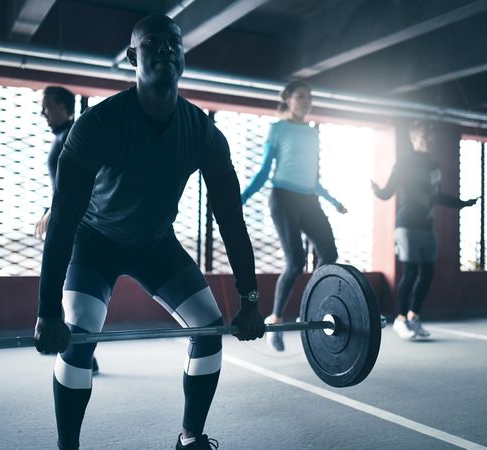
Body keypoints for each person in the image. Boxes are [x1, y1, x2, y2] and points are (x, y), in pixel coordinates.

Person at [33, 14, 265, 450]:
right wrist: (47, 311)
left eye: (173, 43)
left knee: (210, 329)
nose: (164, 49)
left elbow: (231, 220)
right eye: (152, 42)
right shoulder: (96, 126)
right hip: (94, 241)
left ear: (183, 56)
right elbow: (63, 222)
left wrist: (250, 299)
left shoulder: (203, 132)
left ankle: (191, 437)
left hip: (155, 243)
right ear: (132, 55)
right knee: (79, 333)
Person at [241, 80, 347, 352]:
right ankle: (275, 319)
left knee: (329, 254)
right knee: (296, 262)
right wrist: (240, 199)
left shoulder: (313, 133)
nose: (306, 101)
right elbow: (265, 171)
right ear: (288, 99)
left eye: (309, 97)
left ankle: (310, 303)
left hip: (308, 199)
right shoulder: (277, 129)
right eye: (300, 96)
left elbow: (313, 177)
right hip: (283, 198)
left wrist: (333, 201)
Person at [371, 120, 478, 340]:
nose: (427, 141)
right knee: (410, 273)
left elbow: (436, 196)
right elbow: (387, 192)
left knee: (428, 273)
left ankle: (413, 316)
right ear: (413, 139)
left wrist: (463, 203)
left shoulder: (434, 166)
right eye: (422, 137)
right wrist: (377, 190)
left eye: (430, 137)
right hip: (407, 225)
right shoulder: (404, 163)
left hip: (426, 226)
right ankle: (400, 320)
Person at [34, 86, 100, 375]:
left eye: (47, 106)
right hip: (67, 219)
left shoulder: (74, 135)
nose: (42, 112)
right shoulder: (61, 137)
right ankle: (81, 351)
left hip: (78, 224)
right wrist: (51, 210)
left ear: (63, 106)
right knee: (69, 287)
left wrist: (57, 211)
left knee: (75, 289)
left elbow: (82, 184)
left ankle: (82, 353)